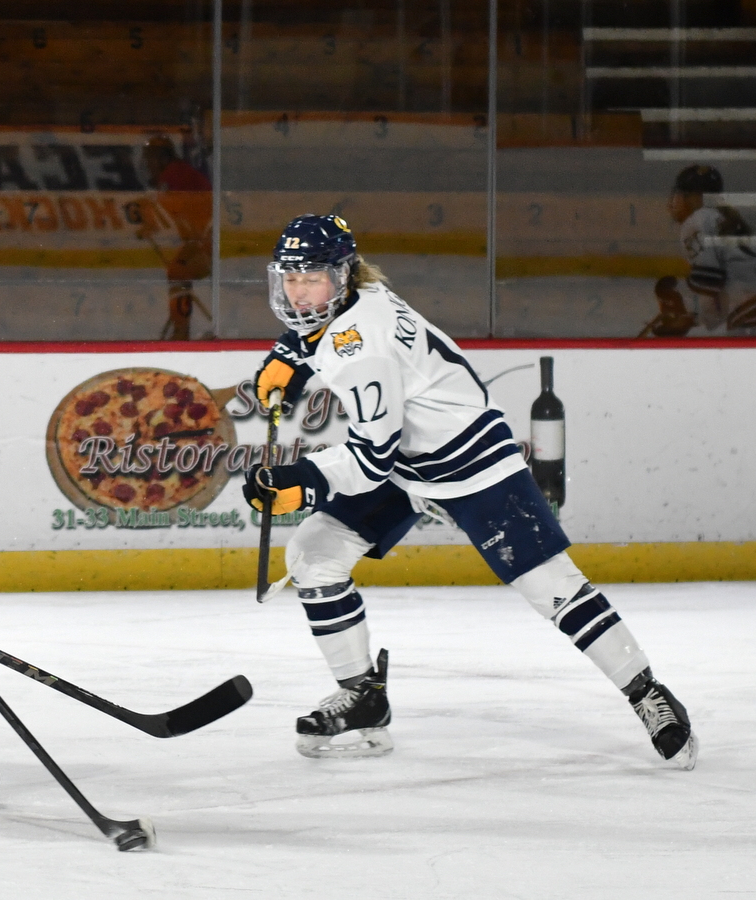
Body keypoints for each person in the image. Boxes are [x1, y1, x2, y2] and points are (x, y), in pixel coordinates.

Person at [244, 214, 697, 769]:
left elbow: (369, 457)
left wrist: (305, 483)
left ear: (340, 276)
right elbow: (326, 346)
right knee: (314, 556)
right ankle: (364, 697)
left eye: (311, 278)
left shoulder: (362, 349)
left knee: (554, 589)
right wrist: (291, 355)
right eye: (290, 278)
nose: (297, 292)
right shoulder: (365, 292)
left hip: (471, 461)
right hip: (410, 459)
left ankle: (647, 692)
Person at [646, 164, 756, 337]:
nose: (674, 200)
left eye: (679, 193)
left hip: (746, 313)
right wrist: (694, 320)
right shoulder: (722, 218)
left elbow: (708, 281)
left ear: (695, 197)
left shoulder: (697, 220)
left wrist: (676, 296)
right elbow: (718, 291)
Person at [139, 135, 213, 341]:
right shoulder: (179, 174)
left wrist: (150, 224)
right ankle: (182, 327)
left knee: (178, 272)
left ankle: (181, 331)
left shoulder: (174, 176)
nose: (147, 165)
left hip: (207, 241)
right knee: (179, 273)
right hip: (201, 240)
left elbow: (177, 210)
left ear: (162, 158)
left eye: (150, 159)